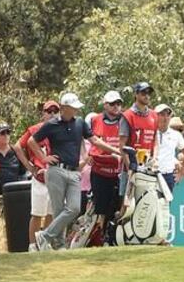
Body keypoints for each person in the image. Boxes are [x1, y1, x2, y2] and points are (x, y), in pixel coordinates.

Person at [29, 92, 122, 252]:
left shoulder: (80, 123)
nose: (77, 111)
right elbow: (32, 141)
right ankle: (59, 246)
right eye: (73, 108)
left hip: (74, 172)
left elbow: (95, 141)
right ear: (64, 108)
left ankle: (45, 235)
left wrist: (118, 151)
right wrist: (44, 158)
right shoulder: (51, 124)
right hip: (56, 170)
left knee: (74, 208)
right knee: (58, 210)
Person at [14, 100, 59, 251]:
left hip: (55, 178)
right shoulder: (35, 130)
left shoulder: (61, 130)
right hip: (39, 178)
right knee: (37, 213)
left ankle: (44, 242)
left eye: (55, 111)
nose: (52, 114)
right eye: (49, 111)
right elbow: (18, 146)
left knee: (51, 213)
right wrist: (29, 166)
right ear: (43, 114)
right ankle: (33, 244)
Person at [88, 90, 130, 246]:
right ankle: (97, 238)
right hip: (100, 171)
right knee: (100, 208)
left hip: (120, 172)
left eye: (119, 103)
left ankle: (113, 238)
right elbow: (89, 141)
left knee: (118, 206)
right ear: (105, 105)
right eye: (112, 104)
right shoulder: (95, 120)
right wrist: (88, 156)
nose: (116, 107)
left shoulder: (125, 120)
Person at [124, 82, 160, 164]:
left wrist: (155, 158)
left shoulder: (154, 115)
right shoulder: (127, 115)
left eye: (149, 93)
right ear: (136, 94)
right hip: (131, 165)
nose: (147, 96)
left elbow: (155, 140)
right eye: (143, 93)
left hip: (148, 164)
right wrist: (130, 167)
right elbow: (122, 146)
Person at [155, 107, 184, 192]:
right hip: (152, 175)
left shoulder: (176, 135)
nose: (165, 117)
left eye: (168, 115)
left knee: (166, 205)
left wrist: (181, 174)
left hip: (168, 175)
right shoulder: (150, 132)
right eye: (162, 114)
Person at [0, 124, 26, 195]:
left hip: (14, 194)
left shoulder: (17, 152)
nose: (6, 135)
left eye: (8, 133)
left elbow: (23, 173)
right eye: (2, 133)